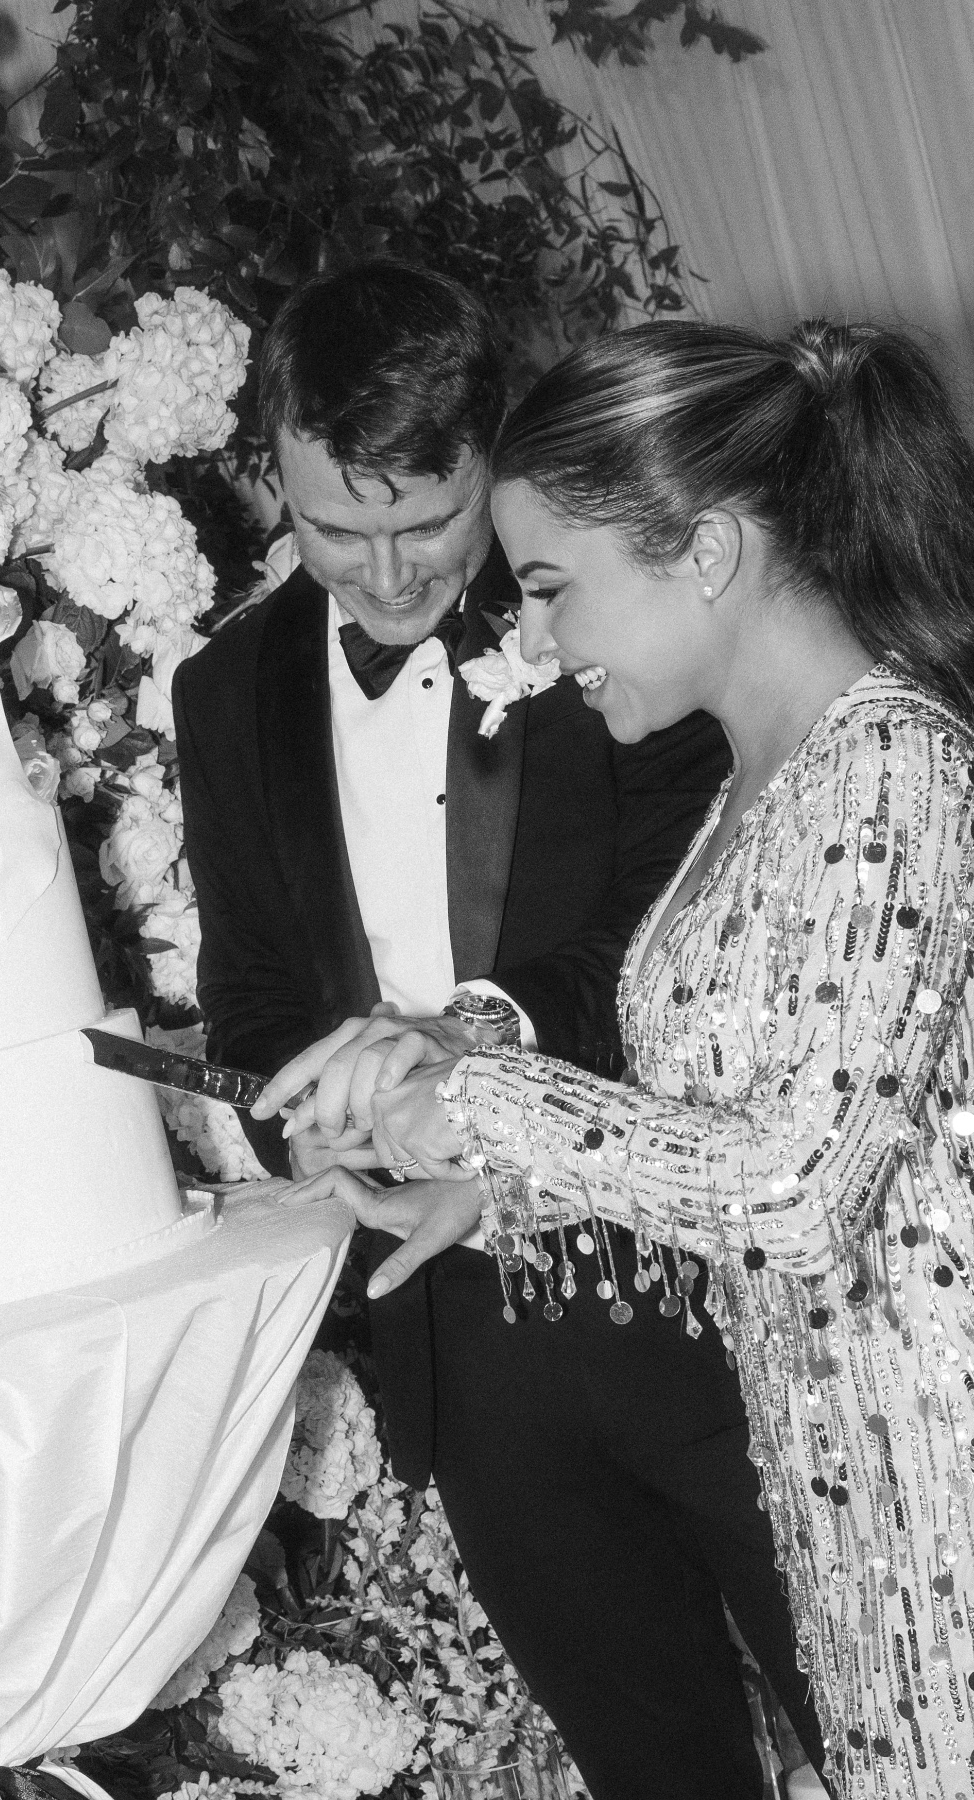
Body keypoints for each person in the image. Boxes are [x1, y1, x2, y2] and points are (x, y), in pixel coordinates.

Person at [266, 315, 974, 1797]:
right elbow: (718, 1132)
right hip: (834, 1477)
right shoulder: (752, 782)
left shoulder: (899, 759)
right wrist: (490, 1178)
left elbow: (794, 1190)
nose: (531, 642)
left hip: (937, 1469)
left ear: (704, 554)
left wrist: (487, 1096)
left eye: (549, 588)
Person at [176, 263, 824, 1800]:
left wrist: (478, 1053)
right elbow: (255, 981)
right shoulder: (224, 693)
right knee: (652, 1765)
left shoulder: (609, 617)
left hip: (691, 1282)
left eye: (429, 523)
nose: (393, 577)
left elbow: (685, 909)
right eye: (342, 529)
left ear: (494, 458)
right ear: (272, 467)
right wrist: (319, 1127)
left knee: (887, 1720)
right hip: (454, 1321)